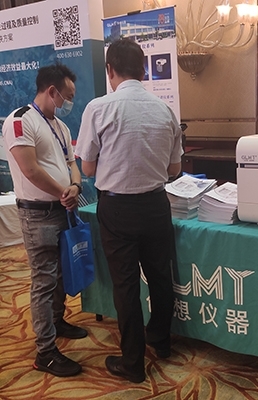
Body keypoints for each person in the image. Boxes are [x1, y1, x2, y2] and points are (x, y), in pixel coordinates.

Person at [74, 38, 183, 383]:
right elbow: (175, 170)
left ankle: (133, 363)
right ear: (144, 70)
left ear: (110, 70)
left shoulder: (98, 108)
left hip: (117, 208)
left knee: (125, 286)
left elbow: (87, 168)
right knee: (161, 276)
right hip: (156, 205)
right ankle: (161, 341)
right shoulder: (165, 110)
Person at [3, 63, 87, 378]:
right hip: (38, 214)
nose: (70, 103)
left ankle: (57, 320)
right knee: (44, 279)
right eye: (68, 96)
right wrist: (64, 192)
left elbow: (71, 162)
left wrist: (75, 186)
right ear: (52, 91)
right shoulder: (20, 120)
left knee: (63, 272)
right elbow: (30, 170)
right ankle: (45, 352)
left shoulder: (60, 126)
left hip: (63, 208)